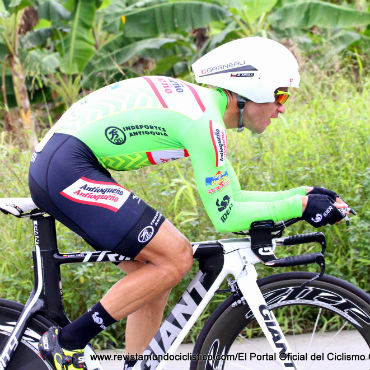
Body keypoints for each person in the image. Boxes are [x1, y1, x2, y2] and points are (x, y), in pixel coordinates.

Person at [29, 36, 349, 370]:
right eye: (280, 95)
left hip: (68, 163)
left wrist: (303, 195)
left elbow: (233, 197)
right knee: (175, 257)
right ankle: (65, 343)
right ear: (252, 90)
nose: (282, 108)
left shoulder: (204, 111)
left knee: (154, 277)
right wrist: (300, 207)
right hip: (66, 168)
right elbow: (227, 216)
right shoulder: (203, 122)